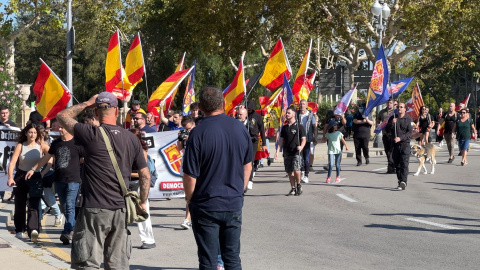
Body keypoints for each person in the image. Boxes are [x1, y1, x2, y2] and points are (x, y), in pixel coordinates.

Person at [57, 92, 150, 269]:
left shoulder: (90, 133)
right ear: (116, 110)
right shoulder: (131, 138)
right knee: (117, 264)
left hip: (94, 209)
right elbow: (145, 174)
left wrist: (87, 103)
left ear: (97, 111)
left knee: (87, 263)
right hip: (120, 210)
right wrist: (143, 201)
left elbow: (62, 116)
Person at [182, 86, 252, 270]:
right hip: (232, 203)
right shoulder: (239, 128)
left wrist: (189, 199)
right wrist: (240, 191)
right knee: (232, 258)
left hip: (206, 205)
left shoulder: (197, 133)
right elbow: (248, 165)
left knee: (208, 261)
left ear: (201, 107)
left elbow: (190, 175)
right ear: (224, 103)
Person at [26, 123, 83, 245]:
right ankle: (72, 228)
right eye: (59, 127)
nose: (60, 130)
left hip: (73, 180)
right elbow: (47, 158)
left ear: (68, 129)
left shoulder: (77, 143)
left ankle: (67, 231)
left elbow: (85, 158)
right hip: (59, 180)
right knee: (65, 207)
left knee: (69, 205)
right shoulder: (56, 143)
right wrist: (34, 168)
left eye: (62, 128)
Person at [7, 123, 49, 242]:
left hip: (35, 176)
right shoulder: (21, 145)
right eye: (30, 132)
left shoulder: (41, 146)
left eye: (35, 132)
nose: (32, 134)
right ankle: (20, 229)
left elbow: (52, 153)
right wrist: (10, 177)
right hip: (21, 176)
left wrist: (42, 169)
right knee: (19, 203)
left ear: (37, 134)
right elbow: (12, 162)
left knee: (34, 204)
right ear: (26, 133)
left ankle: (33, 230)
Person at [129, 128, 156, 249]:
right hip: (126, 184)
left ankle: (148, 240)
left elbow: (144, 173)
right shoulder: (124, 150)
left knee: (142, 211)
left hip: (138, 185)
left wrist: (128, 174)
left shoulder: (142, 152)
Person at [274, 106, 306, 196]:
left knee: (296, 169)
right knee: (289, 171)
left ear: (294, 114)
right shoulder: (284, 128)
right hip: (287, 152)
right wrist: (277, 151)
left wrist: (301, 147)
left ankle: (299, 184)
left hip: (296, 152)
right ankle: (293, 188)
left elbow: (304, 139)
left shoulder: (299, 126)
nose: (287, 114)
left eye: (288, 113)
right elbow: (281, 140)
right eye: (286, 113)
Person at [386, 103, 412, 190]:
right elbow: (387, 130)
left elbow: (409, 133)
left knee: (404, 163)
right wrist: (391, 124)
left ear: (405, 109)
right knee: (397, 164)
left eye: (401, 107)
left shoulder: (408, 119)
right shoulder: (393, 117)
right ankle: (400, 181)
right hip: (395, 145)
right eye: (398, 107)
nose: (399, 108)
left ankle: (403, 181)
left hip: (405, 144)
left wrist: (400, 138)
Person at [177, 115, 196, 230]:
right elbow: (179, 148)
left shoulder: (198, 132)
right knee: (188, 193)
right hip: (186, 162)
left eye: (189, 129)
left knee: (196, 192)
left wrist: (191, 138)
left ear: (194, 124)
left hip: (197, 164)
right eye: (185, 129)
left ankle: (190, 218)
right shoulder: (184, 133)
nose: (187, 131)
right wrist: (180, 138)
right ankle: (188, 218)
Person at [246, 100, 267, 190]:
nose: (249, 109)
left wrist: (264, 143)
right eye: (247, 108)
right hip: (244, 141)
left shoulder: (258, 117)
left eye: (250, 108)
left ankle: (250, 180)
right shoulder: (243, 115)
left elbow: (262, 131)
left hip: (253, 141)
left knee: (250, 160)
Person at [296, 99, 317, 183]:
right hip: (298, 139)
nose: (302, 106)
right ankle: (302, 172)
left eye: (303, 104)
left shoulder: (310, 115)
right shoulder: (297, 114)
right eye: (301, 104)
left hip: (307, 139)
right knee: (299, 157)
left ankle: (306, 175)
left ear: (306, 105)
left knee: (306, 158)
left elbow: (314, 127)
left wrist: (315, 138)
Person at [377, 99, 396, 173]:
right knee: (387, 151)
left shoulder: (395, 112)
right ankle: (391, 165)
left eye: (391, 103)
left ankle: (391, 167)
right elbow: (378, 120)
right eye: (388, 102)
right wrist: (378, 124)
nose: (389, 104)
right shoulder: (382, 112)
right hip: (385, 133)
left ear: (393, 103)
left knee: (392, 151)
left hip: (394, 134)